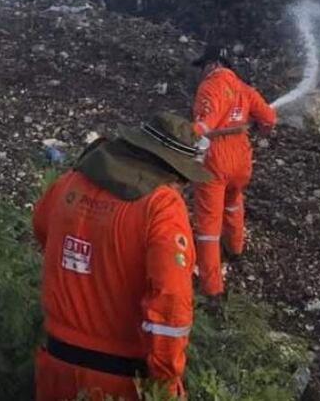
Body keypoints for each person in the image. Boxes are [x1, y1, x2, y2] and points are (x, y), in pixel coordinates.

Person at [33, 112, 212, 401]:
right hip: (119, 381)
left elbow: (42, 229)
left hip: (55, 367)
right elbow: (170, 304)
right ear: (172, 170)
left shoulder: (70, 183)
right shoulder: (161, 206)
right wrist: (165, 382)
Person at [190, 45, 276, 297]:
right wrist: (260, 128)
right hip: (241, 158)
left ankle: (211, 287)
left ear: (214, 64)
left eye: (204, 65)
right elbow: (269, 119)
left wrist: (184, 142)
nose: (202, 71)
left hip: (216, 159)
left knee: (208, 224)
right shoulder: (244, 88)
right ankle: (235, 248)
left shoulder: (210, 87)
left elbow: (203, 126)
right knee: (233, 200)